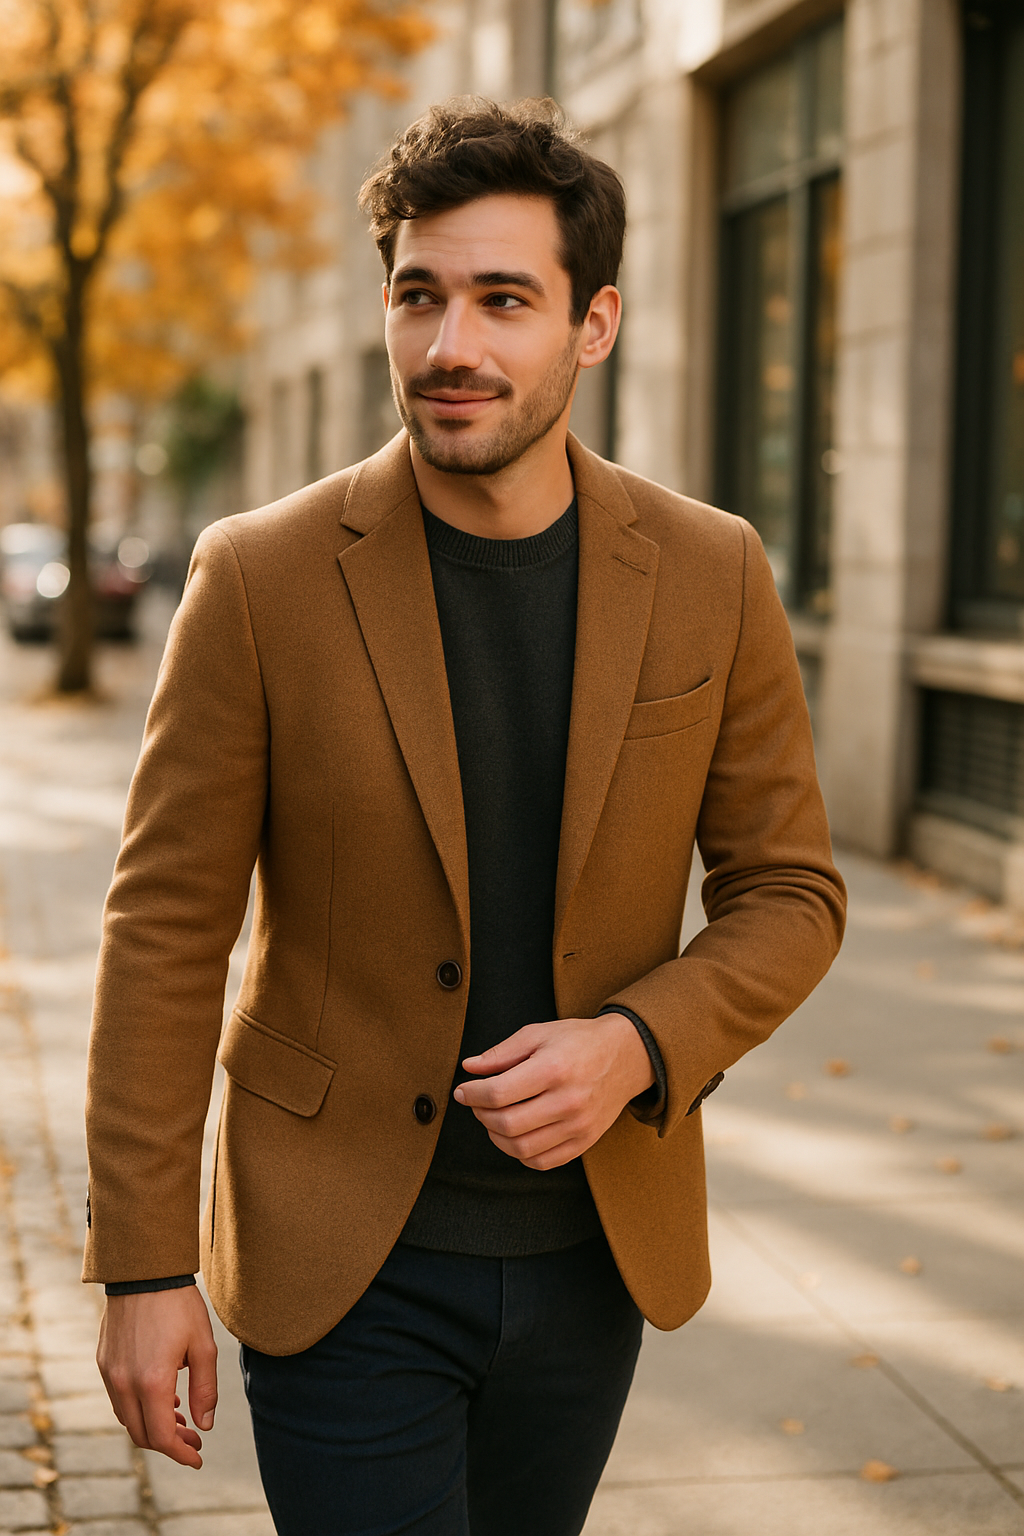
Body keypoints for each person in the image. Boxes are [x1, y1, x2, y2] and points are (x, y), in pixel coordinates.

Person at [85, 98, 847, 1536]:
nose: (453, 348)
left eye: (506, 300)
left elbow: (790, 893)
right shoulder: (257, 579)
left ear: (594, 325)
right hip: (340, 1258)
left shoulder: (710, 572)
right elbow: (164, 929)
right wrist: (142, 1263)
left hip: (592, 1253)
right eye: (420, 297)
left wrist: (637, 1044)